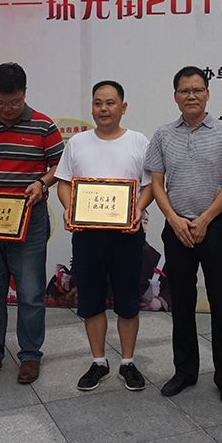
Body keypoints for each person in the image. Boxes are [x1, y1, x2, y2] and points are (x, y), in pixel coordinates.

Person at [0, 63, 64, 385]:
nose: (6, 109)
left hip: (29, 221)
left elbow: (60, 165)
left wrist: (42, 183)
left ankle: (30, 355)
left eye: (14, 102)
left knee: (30, 293)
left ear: (25, 93)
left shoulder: (43, 126)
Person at [145, 66, 222, 406]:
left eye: (197, 90)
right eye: (184, 90)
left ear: (207, 94)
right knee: (182, 303)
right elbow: (156, 183)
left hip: (214, 227)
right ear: (175, 96)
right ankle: (185, 371)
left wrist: (204, 219)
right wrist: (173, 219)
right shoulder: (162, 135)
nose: (191, 95)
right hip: (177, 229)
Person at [55, 80, 154, 392]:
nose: (104, 109)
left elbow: (151, 185)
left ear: (123, 107)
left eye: (110, 103)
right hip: (88, 235)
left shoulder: (139, 142)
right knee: (91, 299)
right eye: (98, 103)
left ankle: (128, 362)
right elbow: (63, 183)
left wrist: (137, 208)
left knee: (128, 300)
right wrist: (69, 208)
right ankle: (98, 361)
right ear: (92, 107)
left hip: (127, 235)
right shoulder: (77, 143)